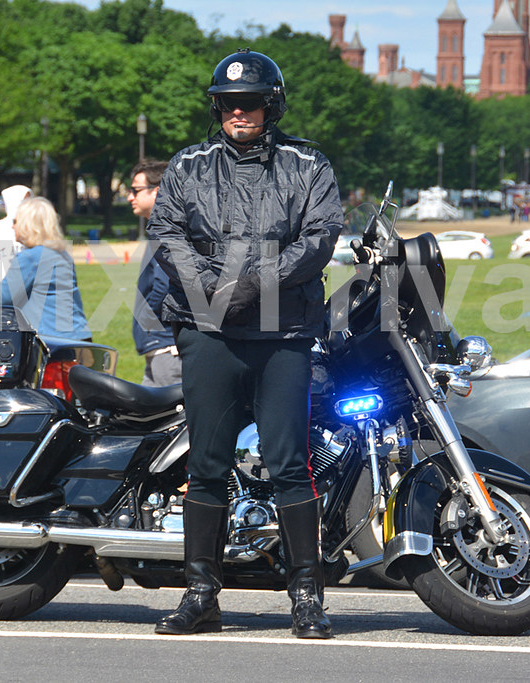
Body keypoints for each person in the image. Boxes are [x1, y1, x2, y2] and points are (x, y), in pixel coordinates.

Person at [146, 49, 342, 639]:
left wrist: (251, 282)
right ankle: (201, 592)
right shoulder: (188, 166)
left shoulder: (308, 165)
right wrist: (214, 291)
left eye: (250, 102)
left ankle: (307, 595)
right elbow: (167, 234)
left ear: (271, 105)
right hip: (208, 331)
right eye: (229, 103)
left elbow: (319, 237)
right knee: (206, 464)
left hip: (283, 334)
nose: (239, 112)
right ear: (217, 107)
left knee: (288, 464)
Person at [0, 196, 91, 340]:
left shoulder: (30, 258)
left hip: (52, 340)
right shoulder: (62, 255)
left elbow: (2, 298)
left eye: (15, 221)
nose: (13, 226)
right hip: (80, 337)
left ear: (27, 225)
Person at [129, 159, 181, 386]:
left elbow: (164, 284)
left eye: (136, 190)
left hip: (167, 349)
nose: (131, 197)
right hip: (159, 349)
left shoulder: (166, 231)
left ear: (157, 191)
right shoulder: (159, 229)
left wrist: (148, 321)